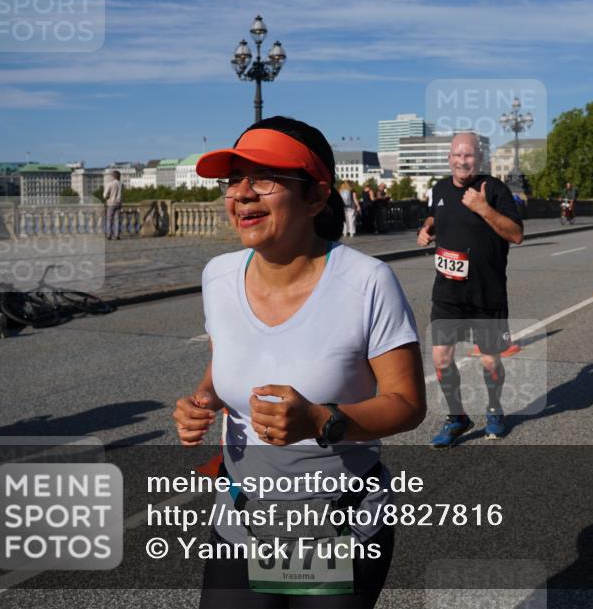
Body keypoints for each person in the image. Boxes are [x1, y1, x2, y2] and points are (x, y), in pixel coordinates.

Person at [175, 116, 426, 607]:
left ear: (315, 197)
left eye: (264, 177)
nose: (242, 194)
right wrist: (203, 398)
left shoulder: (366, 281)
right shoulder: (218, 276)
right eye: (234, 180)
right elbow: (226, 356)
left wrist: (321, 419)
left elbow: (408, 404)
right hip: (242, 522)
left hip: (336, 526)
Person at [416, 132, 523, 446]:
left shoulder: (494, 190)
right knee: (441, 359)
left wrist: (482, 208)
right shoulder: (439, 188)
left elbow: (516, 234)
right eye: (457, 155)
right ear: (449, 157)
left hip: (486, 293)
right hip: (447, 292)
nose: (462, 161)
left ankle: (494, 409)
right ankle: (457, 417)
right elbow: (436, 214)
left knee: (489, 360)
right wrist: (426, 229)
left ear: (480, 158)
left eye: (469, 156)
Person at [103, 170, 123, 240]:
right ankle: (117, 235)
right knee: (117, 219)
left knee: (109, 220)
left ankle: (109, 235)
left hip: (111, 203)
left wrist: (108, 196)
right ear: (119, 176)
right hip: (118, 203)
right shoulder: (121, 184)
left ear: (113, 176)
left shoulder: (110, 184)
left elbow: (105, 195)